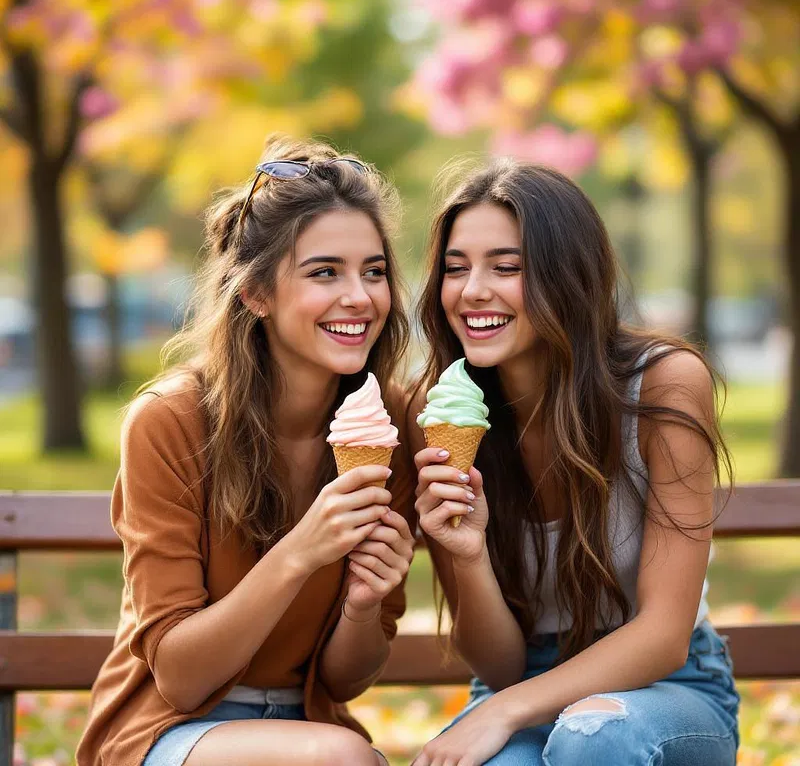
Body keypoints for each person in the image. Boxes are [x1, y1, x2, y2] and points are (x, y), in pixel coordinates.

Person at [76, 137, 416, 766]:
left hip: (311, 725)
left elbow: (344, 682)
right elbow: (178, 676)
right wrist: (301, 552)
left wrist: (364, 604)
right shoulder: (172, 423)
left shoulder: (390, 422)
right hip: (168, 728)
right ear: (256, 294)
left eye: (373, 271)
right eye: (324, 272)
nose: (360, 297)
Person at [408, 160, 739, 766]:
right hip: (519, 680)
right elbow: (501, 665)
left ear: (568, 276)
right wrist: (469, 555)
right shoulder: (442, 415)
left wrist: (500, 713)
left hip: (667, 688)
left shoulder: (662, 384)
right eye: (455, 269)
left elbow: (664, 636)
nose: (471, 289)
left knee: (594, 739)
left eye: (506, 267)